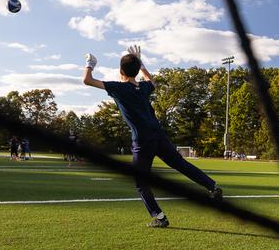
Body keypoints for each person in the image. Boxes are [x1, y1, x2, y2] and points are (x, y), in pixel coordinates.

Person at [83, 45, 222, 227]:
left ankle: (159, 218)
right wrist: (141, 64)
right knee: (181, 164)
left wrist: (90, 63)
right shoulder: (144, 87)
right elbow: (152, 81)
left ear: (121, 71)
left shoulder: (118, 88)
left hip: (142, 140)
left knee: (141, 183)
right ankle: (212, 187)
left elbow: (87, 80)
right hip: (159, 135)